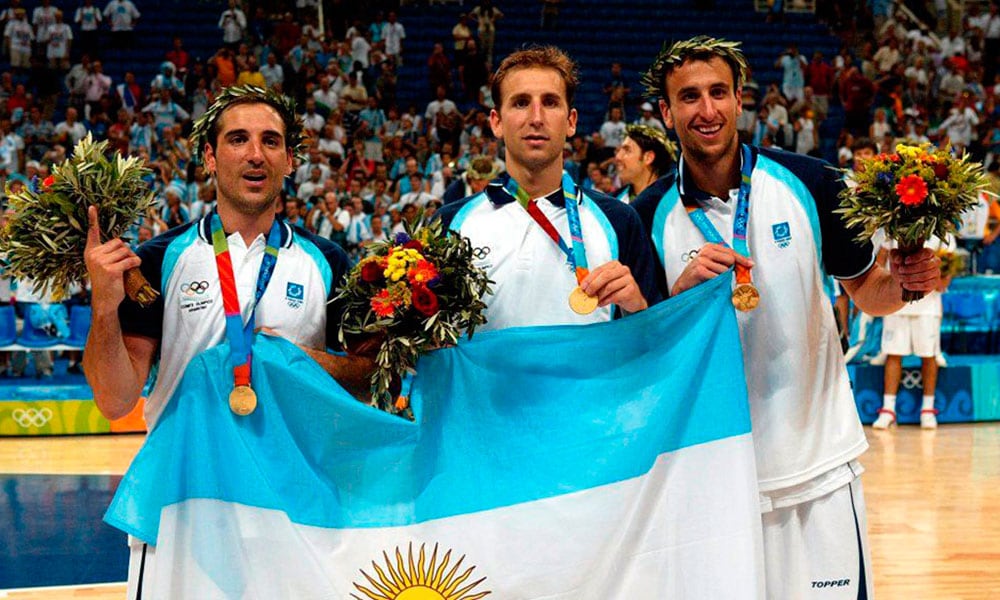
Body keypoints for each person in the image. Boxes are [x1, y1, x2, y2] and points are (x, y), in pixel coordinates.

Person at [633, 36, 941, 599]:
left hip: (818, 469)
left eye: (719, 93)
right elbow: (642, 352)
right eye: (690, 97)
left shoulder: (811, 183)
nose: (707, 111)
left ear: (740, 98)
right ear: (666, 111)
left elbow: (870, 294)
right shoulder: (645, 217)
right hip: (712, 479)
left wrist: (906, 282)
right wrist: (679, 297)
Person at [82, 86, 374, 600]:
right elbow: (114, 399)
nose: (255, 154)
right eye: (238, 140)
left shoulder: (328, 262)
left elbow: (370, 379)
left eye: (271, 141)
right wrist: (104, 309)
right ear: (211, 158)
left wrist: (302, 364)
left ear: (290, 159)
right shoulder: (158, 260)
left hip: (296, 503)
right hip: (186, 504)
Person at [436, 46, 659, 332]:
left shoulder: (620, 221)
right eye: (520, 103)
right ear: (496, 122)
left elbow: (654, 344)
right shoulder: (450, 223)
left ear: (571, 122)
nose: (536, 117)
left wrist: (637, 307)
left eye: (551, 102)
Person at [873, 234, 955, 430]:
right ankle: (888, 409)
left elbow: (947, 273)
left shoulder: (944, 233)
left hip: (928, 306)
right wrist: (881, 288)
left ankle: (927, 410)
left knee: (929, 356)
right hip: (895, 303)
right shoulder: (894, 226)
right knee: (893, 354)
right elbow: (880, 261)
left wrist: (931, 283)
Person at [612, 123, 675, 203]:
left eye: (627, 150)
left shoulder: (672, 204)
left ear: (648, 158)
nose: (618, 157)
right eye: (619, 151)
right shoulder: (613, 201)